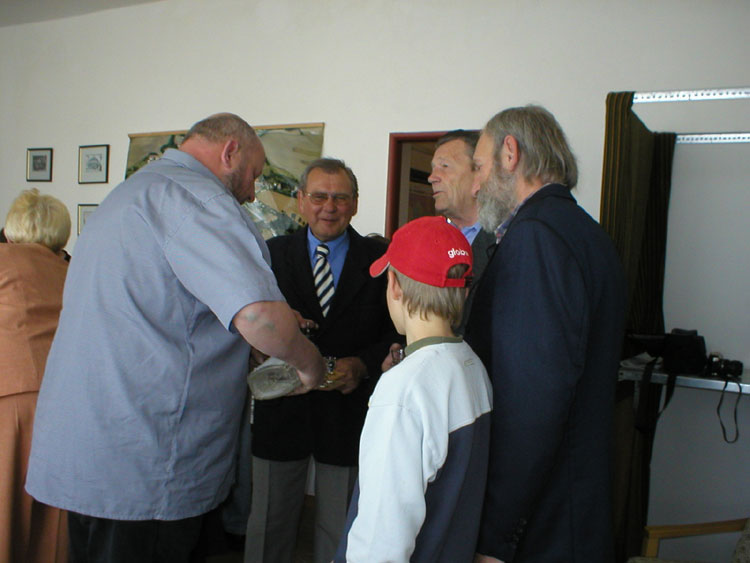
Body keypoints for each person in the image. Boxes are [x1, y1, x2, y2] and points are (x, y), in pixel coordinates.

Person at [25, 113, 327, 563]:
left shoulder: (129, 193)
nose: (252, 192)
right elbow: (259, 316)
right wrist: (310, 365)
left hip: (92, 450)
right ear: (230, 152)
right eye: (253, 175)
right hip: (146, 460)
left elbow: (158, 309)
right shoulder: (198, 199)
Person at [467, 105, 627, 562]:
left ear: (510, 153)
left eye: (478, 167)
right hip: (574, 506)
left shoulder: (535, 237)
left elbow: (531, 405)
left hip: (543, 524)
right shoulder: (585, 231)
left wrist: (495, 536)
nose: (475, 185)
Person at [246, 158, 398, 563]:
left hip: (348, 414)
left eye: (340, 198)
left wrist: (362, 364)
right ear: (300, 200)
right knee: (267, 527)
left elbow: (397, 332)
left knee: (341, 531)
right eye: (318, 197)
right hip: (282, 408)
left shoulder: (381, 259)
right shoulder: (270, 255)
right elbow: (248, 321)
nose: (329, 207)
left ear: (355, 203)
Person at [334, 215, 493, 562]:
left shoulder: (402, 391)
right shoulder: (473, 365)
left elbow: (381, 542)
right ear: (464, 290)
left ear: (394, 286)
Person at [1, 188, 71, 563]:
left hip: (7, 399)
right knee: (51, 521)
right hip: (63, 403)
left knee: (4, 510)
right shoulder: (73, 272)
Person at [428, 130, 496, 333]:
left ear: (479, 174)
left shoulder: (506, 238)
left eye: (444, 166)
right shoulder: (433, 242)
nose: (432, 178)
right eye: (433, 168)